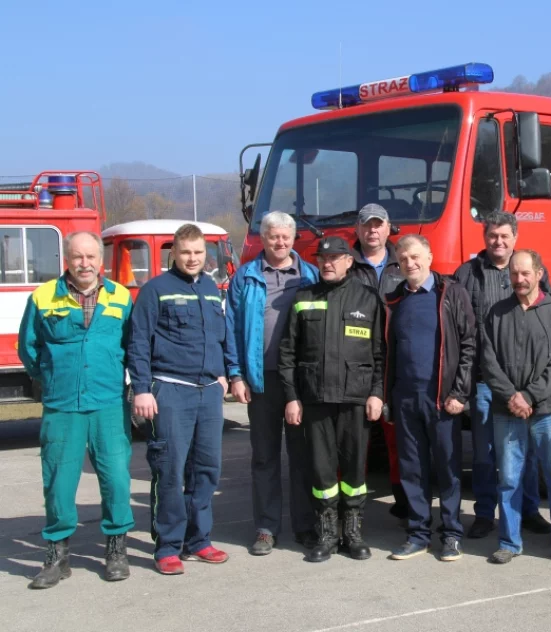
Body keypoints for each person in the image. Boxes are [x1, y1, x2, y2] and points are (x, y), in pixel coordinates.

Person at [18, 231, 134, 589]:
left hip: (108, 402)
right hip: (62, 404)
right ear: (66, 260)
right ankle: (57, 555)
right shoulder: (42, 296)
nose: (85, 264)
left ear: (102, 261)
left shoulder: (121, 296)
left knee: (115, 478)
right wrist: (52, 376)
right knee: (58, 481)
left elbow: (132, 344)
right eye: (77, 257)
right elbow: (29, 347)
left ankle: (115, 549)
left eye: (91, 257)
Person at [129, 223, 236, 575]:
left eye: (199, 253)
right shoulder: (154, 290)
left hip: (208, 393)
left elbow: (219, 337)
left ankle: (199, 540)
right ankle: (168, 545)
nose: (193, 259)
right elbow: (139, 341)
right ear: (173, 253)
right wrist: (142, 388)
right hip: (170, 390)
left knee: (206, 470)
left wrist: (224, 375)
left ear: (207, 255)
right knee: (170, 470)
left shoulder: (210, 288)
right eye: (186, 252)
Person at [279, 236, 385, 563]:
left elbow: (380, 354)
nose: (328, 263)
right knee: (322, 471)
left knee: (354, 471)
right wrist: (292, 398)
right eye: (323, 258)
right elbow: (288, 353)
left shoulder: (368, 299)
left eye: (336, 258)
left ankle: (352, 533)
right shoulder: (303, 297)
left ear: (349, 262)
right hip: (315, 398)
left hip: (355, 398)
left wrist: (377, 393)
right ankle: (326, 534)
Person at [226, 211, 320, 555]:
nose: (279, 243)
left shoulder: (310, 274)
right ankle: (266, 527)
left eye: (285, 237)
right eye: (272, 237)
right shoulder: (245, 278)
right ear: (263, 238)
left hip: (299, 380)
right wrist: (236, 375)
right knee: (264, 457)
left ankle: (305, 526)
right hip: (261, 380)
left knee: (302, 456)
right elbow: (232, 328)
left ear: (294, 239)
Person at [454, 211, 551, 540]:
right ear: (485, 237)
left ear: (515, 237)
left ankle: (529, 510)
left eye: (504, 236)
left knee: (526, 451)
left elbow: (545, 315)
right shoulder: (467, 274)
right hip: (484, 380)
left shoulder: (531, 270)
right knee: (485, 453)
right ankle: (484, 513)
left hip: (524, 384)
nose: (498, 241)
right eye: (492, 235)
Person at [481, 250, 551, 566]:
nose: (519, 280)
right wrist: (512, 396)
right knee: (508, 479)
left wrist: (529, 396)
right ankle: (509, 542)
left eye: (525, 273)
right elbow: (488, 361)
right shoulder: (496, 313)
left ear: (539, 273)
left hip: (549, 411)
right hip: (506, 411)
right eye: (514, 274)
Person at [385, 235, 476, 562]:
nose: (410, 263)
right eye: (404, 258)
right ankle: (418, 534)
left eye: (416, 256)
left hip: (442, 400)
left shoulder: (450, 294)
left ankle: (451, 534)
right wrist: (388, 398)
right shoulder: (394, 300)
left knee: (448, 469)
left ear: (430, 256)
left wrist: (459, 393)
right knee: (412, 469)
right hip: (406, 399)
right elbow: (387, 352)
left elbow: (468, 345)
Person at [349, 203, 407, 521]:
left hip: (395, 363)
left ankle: (402, 499)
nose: (372, 230)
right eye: (366, 225)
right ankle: (351, 505)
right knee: (355, 440)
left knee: (395, 435)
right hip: (356, 362)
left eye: (378, 224)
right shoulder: (347, 265)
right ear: (357, 230)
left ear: (388, 228)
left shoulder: (405, 264)